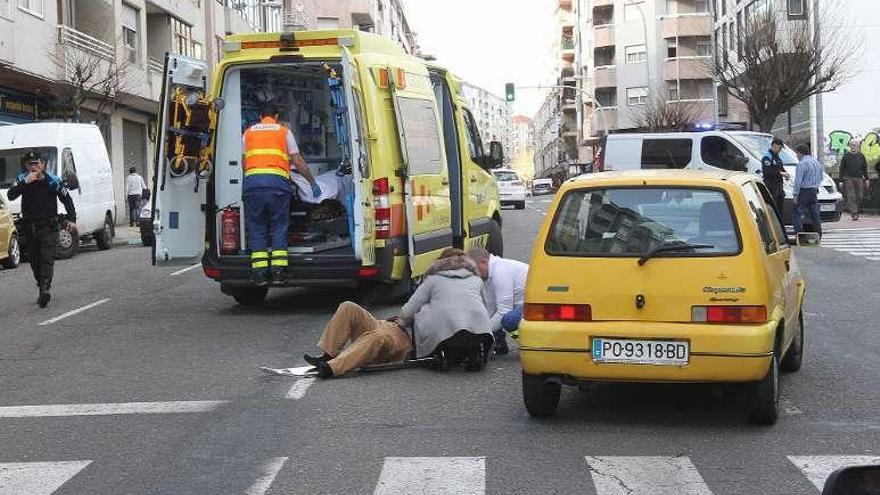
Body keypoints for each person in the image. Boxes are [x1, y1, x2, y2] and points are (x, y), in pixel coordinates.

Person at [303, 249, 492, 378]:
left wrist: (403, 320)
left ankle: (331, 368)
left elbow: (409, 309)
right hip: (394, 326)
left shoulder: (434, 279)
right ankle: (329, 353)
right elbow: (485, 309)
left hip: (404, 338)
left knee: (376, 336)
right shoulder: (474, 281)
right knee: (348, 307)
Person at [242, 105, 321, 287]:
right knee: (278, 226)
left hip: (253, 184)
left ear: (260, 116)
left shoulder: (248, 132)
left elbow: (244, 163)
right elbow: (298, 161)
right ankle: (278, 272)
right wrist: (311, 181)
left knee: (257, 227)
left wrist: (253, 181)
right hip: (277, 185)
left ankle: (260, 274)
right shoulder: (283, 132)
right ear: (276, 116)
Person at [6, 151, 76, 308]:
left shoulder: (53, 180)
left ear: (42, 164)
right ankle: (41, 284)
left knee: (46, 258)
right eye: (30, 164)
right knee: (35, 261)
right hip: (30, 228)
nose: (33, 167)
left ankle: (45, 289)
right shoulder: (22, 179)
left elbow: (67, 199)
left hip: (49, 227)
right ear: (26, 165)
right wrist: (26, 182)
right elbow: (10, 195)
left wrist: (72, 219)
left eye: (36, 163)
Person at [467, 246, 529, 356]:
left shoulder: (500, 271)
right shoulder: (488, 275)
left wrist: (480, 335)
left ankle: (530, 344)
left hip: (533, 305)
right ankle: (499, 344)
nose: (472, 273)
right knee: (496, 318)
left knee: (509, 319)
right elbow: (491, 309)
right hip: (521, 304)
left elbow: (503, 311)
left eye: (473, 269)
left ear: (483, 262)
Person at [792, 143, 824, 238]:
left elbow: (798, 181)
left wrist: (795, 194)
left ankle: (800, 235)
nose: (797, 156)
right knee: (815, 214)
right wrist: (816, 186)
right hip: (814, 190)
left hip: (804, 191)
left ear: (801, 153)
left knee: (797, 213)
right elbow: (821, 177)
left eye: (797, 154)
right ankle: (818, 233)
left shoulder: (802, 164)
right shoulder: (816, 162)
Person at [838, 141, 869, 220]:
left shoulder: (861, 156)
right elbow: (841, 168)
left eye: (854, 145)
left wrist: (867, 179)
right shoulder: (846, 156)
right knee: (851, 196)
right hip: (848, 178)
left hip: (859, 178)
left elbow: (865, 168)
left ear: (858, 146)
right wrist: (841, 180)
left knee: (860, 196)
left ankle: (855, 209)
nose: (853, 147)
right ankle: (854, 213)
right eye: (851, 145)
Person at [761, 138, 791, 218]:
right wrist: (781, 173)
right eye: (780, 148)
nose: (780, 150)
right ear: (774, 146)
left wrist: (786, 173)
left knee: (780, 208)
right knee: (773, 208)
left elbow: (780, 168)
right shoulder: (767, 157)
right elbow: (768, 172)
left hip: (779, 186)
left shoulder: (777, 157)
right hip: (771, 186)